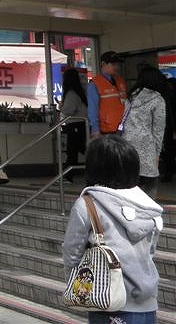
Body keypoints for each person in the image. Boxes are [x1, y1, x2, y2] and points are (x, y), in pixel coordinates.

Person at [62, 135, 162, 323]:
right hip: (147, 303)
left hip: (107, 300)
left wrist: (78, 285)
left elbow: (71, 252)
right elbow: (150, 251)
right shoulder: (148, 206)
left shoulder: (88, 204)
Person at [122, 65, 168, 196]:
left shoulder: (131, 97)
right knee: (149, 188)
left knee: (130, 186)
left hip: (127, 147)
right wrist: (157, 153)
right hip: (147, 148)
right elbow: (158, 130)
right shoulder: (158, 100)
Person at [87, 51, 127, 136]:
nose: (117, 67)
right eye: (113, 64)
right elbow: (93, 109)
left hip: (124, 129)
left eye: (117, 64)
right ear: (103, 64)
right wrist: (95, 130)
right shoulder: (95, 84)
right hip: (107, 131)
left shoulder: (120, 81)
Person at [59, 69, 88, 183]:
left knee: (72, 151)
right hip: (82, 124)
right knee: (80, 149)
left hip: (75, 124)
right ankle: (68, 176)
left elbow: (69, 110)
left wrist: (61, 107)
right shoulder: (81, 91)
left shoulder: (71, 93)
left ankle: (68, 176)